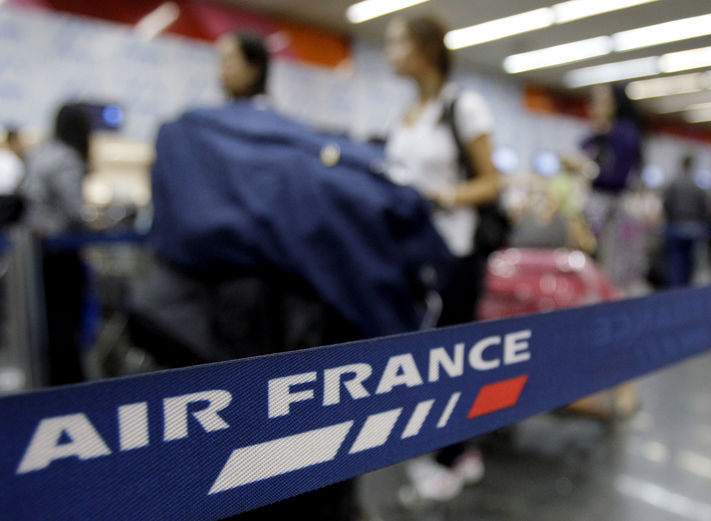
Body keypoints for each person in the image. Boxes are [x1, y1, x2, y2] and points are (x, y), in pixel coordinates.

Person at [133, 31, 451, 521]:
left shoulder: (199, 136)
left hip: (252, 325)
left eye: (228, 59)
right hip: (280, 324)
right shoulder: (272, 143)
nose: (220, 68)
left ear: (254, 66)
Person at [383, 14, 500, 502]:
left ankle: (450, 457)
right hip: (412, 255)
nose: (391, 52)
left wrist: (440, 195)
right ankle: (457, 448)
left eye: (398, 43)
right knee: (421, 359)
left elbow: (492, 181)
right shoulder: (409, 113)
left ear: (427, 49)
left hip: (455, 254)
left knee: (452, 361)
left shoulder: (464, 106)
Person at [21, 104, 91, 386]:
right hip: (61, 252)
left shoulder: (39, 153)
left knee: (47, 320)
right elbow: (75, 210)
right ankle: (69, 381)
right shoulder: (67, 158)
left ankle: (51, 379)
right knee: (66, 321)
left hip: (35, 252)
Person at [564, 83, 643, 283]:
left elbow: (618, 178)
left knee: (610, 272)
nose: (594, 106)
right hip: (593, 214)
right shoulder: (596, 137)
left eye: (601, 100)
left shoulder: (624, 134)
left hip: (612, 216)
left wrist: (585, 168)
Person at [662, 155, 711, 287]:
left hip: (676, 225)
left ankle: (675, 287)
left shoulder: (674, 184)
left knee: (676, 260)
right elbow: (705, 207)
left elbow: (667, 204)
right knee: (690, 260)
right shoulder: (698, 187)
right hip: (694, 226)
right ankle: (686, 287)